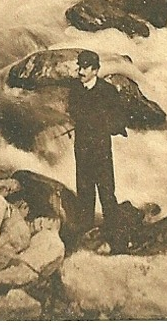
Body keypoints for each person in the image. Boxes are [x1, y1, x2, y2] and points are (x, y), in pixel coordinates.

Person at [67, 49, 127, 231]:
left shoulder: (108, 91)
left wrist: (107, 126)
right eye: (80, 67)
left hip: (100, 149)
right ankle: (85, 231)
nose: (81, 72)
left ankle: (114, 234)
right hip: (83, 147)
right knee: (84, 190)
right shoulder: (75, 89)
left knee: (106, 190)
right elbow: (73, 111)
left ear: (95, 70)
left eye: (85, 68)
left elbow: (119, 118)